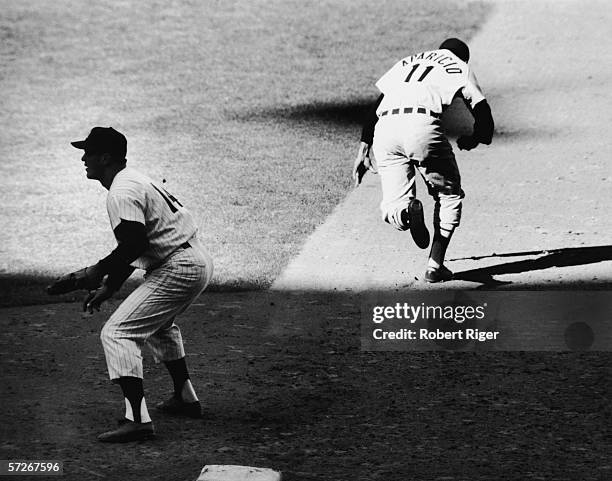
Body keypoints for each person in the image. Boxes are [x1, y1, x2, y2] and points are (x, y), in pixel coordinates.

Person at [70, 126, 213, 442]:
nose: (83, 158)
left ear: (105, 157)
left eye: (88, 152)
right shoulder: (132, 179)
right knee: (158, 326)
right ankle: (185, 398)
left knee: (118, 332)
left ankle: (136, 420)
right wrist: (110, 285)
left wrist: (97, 270)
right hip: (191, 259)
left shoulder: (121, 192)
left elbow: (132, 246)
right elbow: (135, 244)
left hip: (179, 267)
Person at [352, 38, 494, 282]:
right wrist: (475, 139)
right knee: (448, 195)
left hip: (385, 129)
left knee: (392, 206)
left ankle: (407, 212)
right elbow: (483, 115)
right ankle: (435, 266)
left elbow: (377, 104)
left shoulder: (409, 61)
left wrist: (363, 150)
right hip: (421, 127)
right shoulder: (458, 65)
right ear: (464, 58)